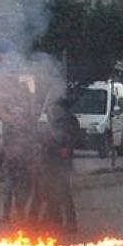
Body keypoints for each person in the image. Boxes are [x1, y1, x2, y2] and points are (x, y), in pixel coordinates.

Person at [35, 99, 79, 233]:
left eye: (56, 108)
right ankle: (55, 221)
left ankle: (70, 224)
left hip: (61, 164)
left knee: (64, 194)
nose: (53, 111)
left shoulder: (69, 122)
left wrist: (62, 147)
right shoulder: (52, 122)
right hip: (49, 163)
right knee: (49, 192)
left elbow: (68, 141)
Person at [0, 100, 36, 224]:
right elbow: (4, 145)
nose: (15, 117)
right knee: (8, 191)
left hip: (21, 164)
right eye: (14, 114)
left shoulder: (27, 129)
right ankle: (6, 215)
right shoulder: (7, 128)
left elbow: (30, 145)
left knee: (20, 192)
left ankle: (20, 215)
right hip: (9, 164)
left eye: (18, 114)